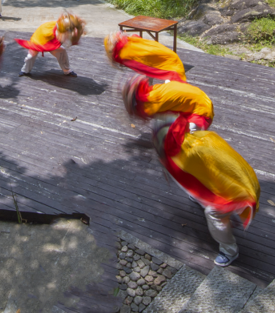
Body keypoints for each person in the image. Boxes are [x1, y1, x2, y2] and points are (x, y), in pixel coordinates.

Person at [150, 118, 259, 267]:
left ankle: (229, 251)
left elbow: (184, 170)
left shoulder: (189, 154)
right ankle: (208, 202)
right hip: (243, 178)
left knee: (213, 213)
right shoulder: (200, 137)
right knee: (200, 188)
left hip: (238, 191)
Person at [16, 13, 86, 78]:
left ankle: (67, 71)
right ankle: (25, 71)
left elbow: (69, 37)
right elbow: (62, 38)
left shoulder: (64, 27)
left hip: (52, 42)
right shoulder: (48, 31)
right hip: (38, 42)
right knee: (31, 56)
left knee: (62, 52)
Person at [104, 31, 187, 84]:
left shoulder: (124, 52)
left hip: (163, 60)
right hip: (157, 57)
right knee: (147, 76)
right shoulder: (130, 40)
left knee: (171, 79)